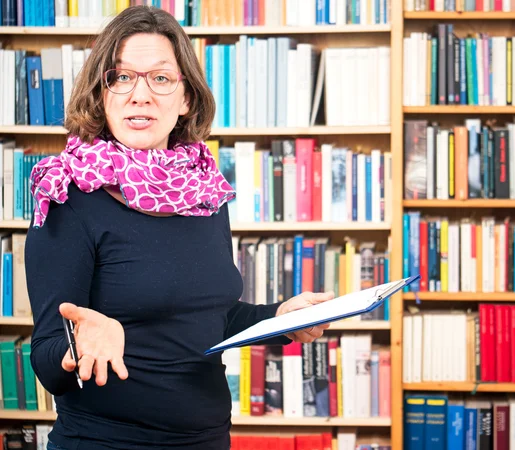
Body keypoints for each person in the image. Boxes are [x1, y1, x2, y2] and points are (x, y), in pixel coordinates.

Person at [24, 6, 333, 450]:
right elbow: (47, 361)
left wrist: (279, 319)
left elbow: (207, 318)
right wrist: (79, 345)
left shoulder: (204, 192)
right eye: (122, 77)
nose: (140, 95)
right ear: (101, 93)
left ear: (186, 98)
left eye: (161, 78)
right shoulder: (68, 195)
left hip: (207, 441)